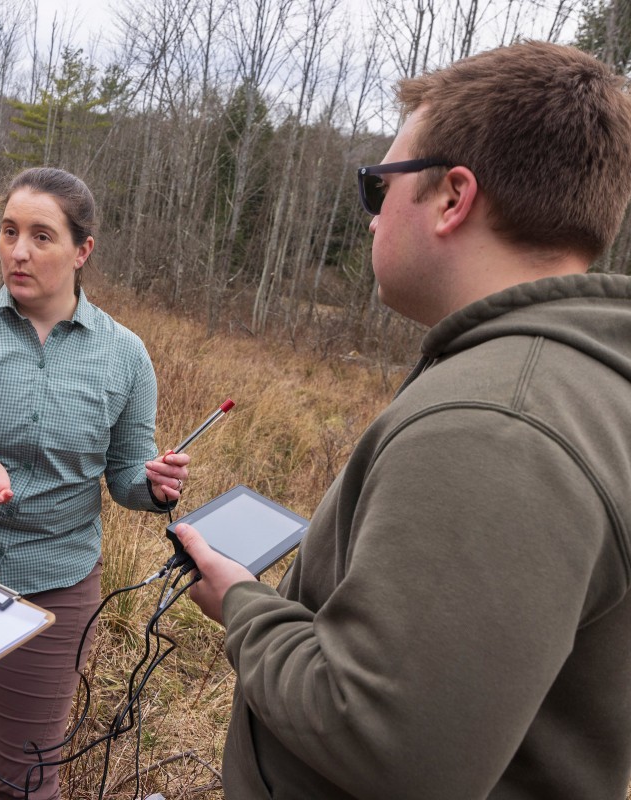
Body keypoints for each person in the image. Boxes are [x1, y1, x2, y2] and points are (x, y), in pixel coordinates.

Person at [176, 41, 631, 799]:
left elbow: (386, 746)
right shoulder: (577, 381)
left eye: (378, 184)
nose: (373, 214)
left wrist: (242, 605)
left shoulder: (498, 426)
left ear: (452, 197)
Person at [0, 167, 191, 800]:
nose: (18, 251)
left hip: (54, 585)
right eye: (9, 232)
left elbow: (125, 479)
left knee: (28, 771)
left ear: (82, 251)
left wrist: (156, 485)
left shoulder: (125, 356)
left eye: (41, 236)